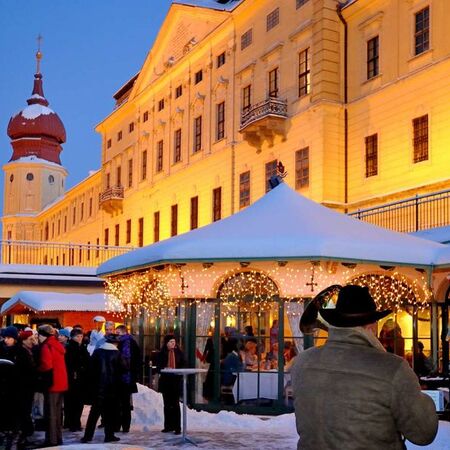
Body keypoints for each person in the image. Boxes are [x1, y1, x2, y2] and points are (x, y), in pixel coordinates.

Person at [292, 285, 438, 450]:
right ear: (371, 325)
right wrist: (418, 395)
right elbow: (424, 434)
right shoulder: (393, 368)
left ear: (335, 322)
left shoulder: (302, 362)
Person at [81, 333, 125, 443]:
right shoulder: (117, 354)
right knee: (110, 413)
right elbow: (124, 367)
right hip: (111, 388)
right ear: (115, 343)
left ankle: (88, 436)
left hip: (98, 388)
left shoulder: (97, 352)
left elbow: (90, 369)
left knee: (93, 414)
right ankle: (109, 436)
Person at [37, 324, 68, 447]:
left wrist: (37, 369)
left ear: (43, 335)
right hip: (61, 383)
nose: (38, 337)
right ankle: (58, 437)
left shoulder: (46, 346)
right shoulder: (57, 344)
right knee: (57, 413)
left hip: (52, 383)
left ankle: (51, 440)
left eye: (39, 335)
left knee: (50, 413)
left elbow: (47, 365)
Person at [156, 334, 185, 435]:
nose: (173, 344)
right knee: (167, 405)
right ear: (166, 343)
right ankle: (168, 426)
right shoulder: (162, 353)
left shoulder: (179, 353)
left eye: (174, 342)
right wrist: (164, 369)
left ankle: (177, 427)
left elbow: (184, 364)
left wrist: (178, 372)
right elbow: (158, 367)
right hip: (166, 381)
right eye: (171, 342)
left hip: (175, 381)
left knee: (175, 405)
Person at [115, 324, 140, 433]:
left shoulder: (124, 343)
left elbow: (126, 362)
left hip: (124, 378)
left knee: (121, 403)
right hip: (129, 378)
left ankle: (120, 425)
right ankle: (125, 426)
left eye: (118, 333)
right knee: (125, 403)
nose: (117, 335)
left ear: (122, 332)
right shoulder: (132, 342)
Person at [64, 328, 90, 432]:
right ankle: (73, 423)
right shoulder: (71, 348)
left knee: (76, 402)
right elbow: (71, 363)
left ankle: (74, 422)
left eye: (81, 336)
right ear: (72, 337)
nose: (79, 338)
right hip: (74, 378)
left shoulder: (81, 347)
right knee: (74, 402)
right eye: (77, 337)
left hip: (79, 378)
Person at [220, 338, 243, 404]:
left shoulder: (233, 355)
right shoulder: (232, 356)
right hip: (229, 379)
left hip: (230, 377)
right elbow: (240, 369)